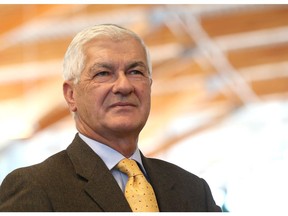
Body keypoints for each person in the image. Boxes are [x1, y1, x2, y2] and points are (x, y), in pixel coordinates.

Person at [0, 24, 221, 212]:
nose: (124, 86)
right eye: (103, 73)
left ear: (149, 86)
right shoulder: (35, 188)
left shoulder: (194, 190)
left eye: (135, 71)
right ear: (71, 95)